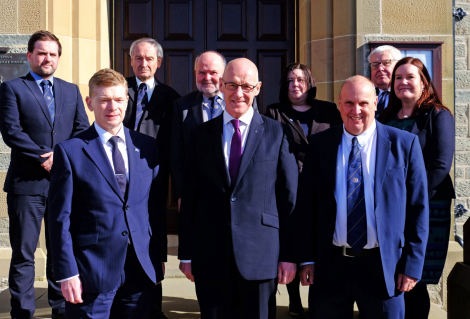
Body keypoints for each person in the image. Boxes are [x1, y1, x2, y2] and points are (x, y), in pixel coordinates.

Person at [297, 75, 429, 319]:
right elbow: (307, 206)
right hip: (331, 266)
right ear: (338, 104)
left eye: (363, 103)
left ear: (376, 103)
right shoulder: (320, 145)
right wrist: (306, 258)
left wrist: (411, 266)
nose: (355, 110)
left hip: (383, 267)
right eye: (348, 103)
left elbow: (418, 209)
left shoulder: (404, 144)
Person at [178, 58, 298, 319]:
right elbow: (190, 199)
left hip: (261, 257)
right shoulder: (200, 135)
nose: (238, 93)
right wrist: (186, 253)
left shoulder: (277, 133)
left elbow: (289, 200)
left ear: (258, 88)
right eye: (232, 85)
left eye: (246, 86)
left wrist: (289, 255)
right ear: (221, 85)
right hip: (210, 255)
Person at [47, 69, 166, 319]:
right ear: (90, 103)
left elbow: (154, 210)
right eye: (104, 100)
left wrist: (157, 258)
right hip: (91, 272)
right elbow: (59, 220)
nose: (113, 107)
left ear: (127, 101)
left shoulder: (147, 147)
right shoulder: (70, 151)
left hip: (139, 271)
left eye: (119, 99)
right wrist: (66, 273)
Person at [0, 30, 89, 319]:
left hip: (62, 185)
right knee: (24, 255)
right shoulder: (12, 89)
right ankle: (23, 312)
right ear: (29, 56)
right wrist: (44, 155)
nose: (47, 58)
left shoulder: (71, 90)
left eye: (52, 53)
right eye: (41, 53)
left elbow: (81, 131)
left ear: (58, 58)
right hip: (26, 186)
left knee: (59, 251)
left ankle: (60, 310)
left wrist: (60, 157)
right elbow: (12, 132)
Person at [379, 57, 455, 319]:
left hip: (429, 206)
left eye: (410, 77)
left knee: (415, 277)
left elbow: (440, 165)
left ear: (424, 82)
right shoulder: (385, 116)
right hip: (392, 207)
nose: (402, 82)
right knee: (394, 269)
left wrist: (411, 197)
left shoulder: (438, 115)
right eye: (398, 78)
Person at [264, 62, 341, 317]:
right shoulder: (274, 112)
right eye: (289, 80)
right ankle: (294, 298)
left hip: (323, 184)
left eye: (300, 80)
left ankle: (320, 294)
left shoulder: (329, 111)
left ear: (310, 83)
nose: (295, 85)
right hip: (289, 187)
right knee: (291, 240)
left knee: (319, 236)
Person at [122, 37, 180, 319]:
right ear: (131, 61)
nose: (143, 63)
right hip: (119, 176)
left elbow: (174, 141)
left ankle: (154, 306)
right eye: (137, 58)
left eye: (149, 58)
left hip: (155, 179)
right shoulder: (120, 89)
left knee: (153, 238)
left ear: (158, 62)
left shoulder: (171, 97)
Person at [170, 51, 258, 211]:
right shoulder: (181, 106)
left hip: (238, 194)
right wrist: (181, 193)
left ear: (224, 75)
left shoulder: (243, 101)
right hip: (197, 194)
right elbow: (176, 155)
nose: (207, 78)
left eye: (213, 73)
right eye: (201, 72)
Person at [368, 45, 402, 118]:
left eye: (386, 63)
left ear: (398, 66)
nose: (380, 68)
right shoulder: (367, 96)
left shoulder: (407, 95)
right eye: (375, 65)